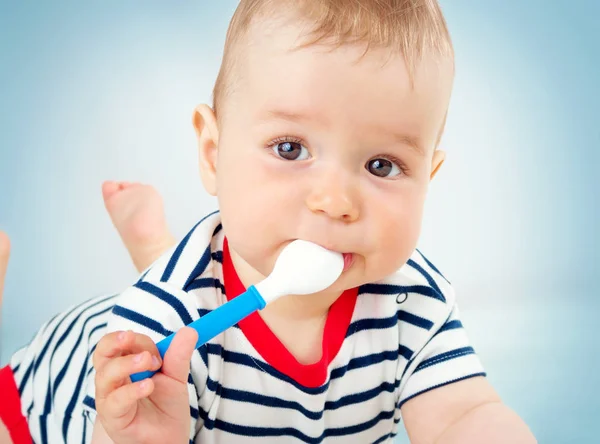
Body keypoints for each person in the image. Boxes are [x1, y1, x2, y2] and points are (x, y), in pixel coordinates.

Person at [1, 1, 537, 442]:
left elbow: (463, 414)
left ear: (428, 177)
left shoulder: (410, 298)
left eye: (382, 165)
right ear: (213, 154)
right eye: (290, 148)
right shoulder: (160, 327)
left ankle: (155, 243)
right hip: (52, 394)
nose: (334, 201)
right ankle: (158, 253)